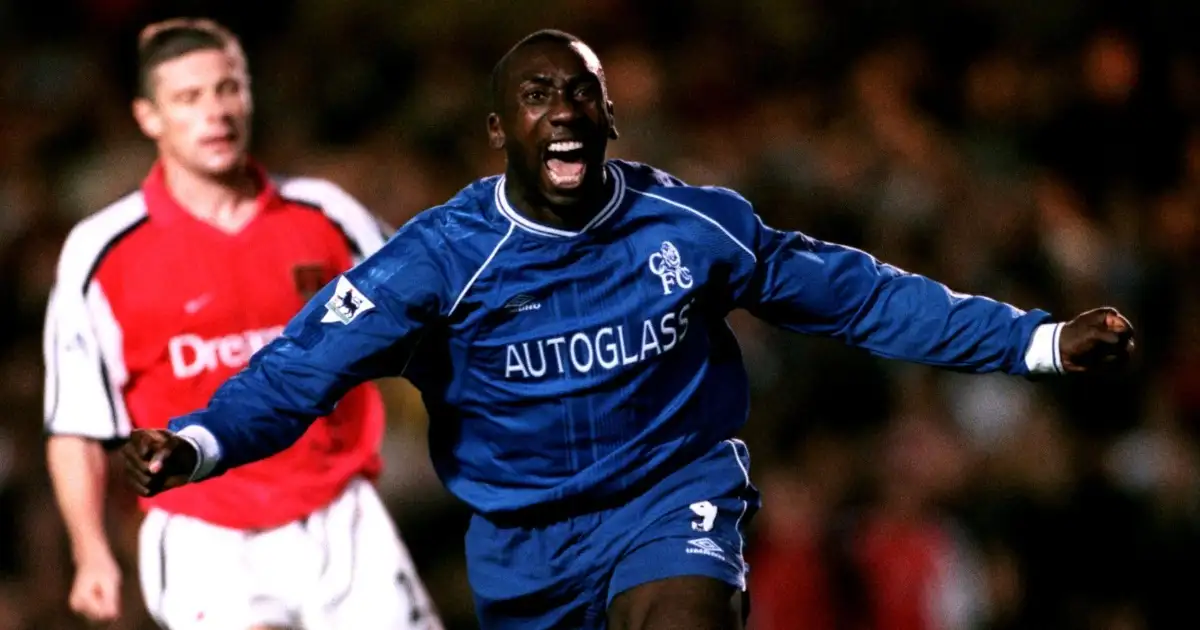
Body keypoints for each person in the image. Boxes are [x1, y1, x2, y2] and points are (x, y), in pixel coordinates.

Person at [122, 29, 1136, 630]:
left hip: (669, 498)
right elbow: (300, 368)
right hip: (525, 546)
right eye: (537, 97)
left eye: (581, 94)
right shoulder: (436, 261)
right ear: (500, 131)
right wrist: (201, 441)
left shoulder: (693, 228)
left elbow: (860, 295)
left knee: (686, 613)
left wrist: (1037, 342)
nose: (563, 111)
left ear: (609, 118)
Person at [44, 18, 440, 630]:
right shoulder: (101, 251)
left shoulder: (325, 214)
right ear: (148, 116)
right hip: (207, 534)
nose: (216, 112)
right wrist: (90, 550)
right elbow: (76, 423)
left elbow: (432, 317)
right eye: (188, 97)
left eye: (227, 89)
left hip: (341, 514)